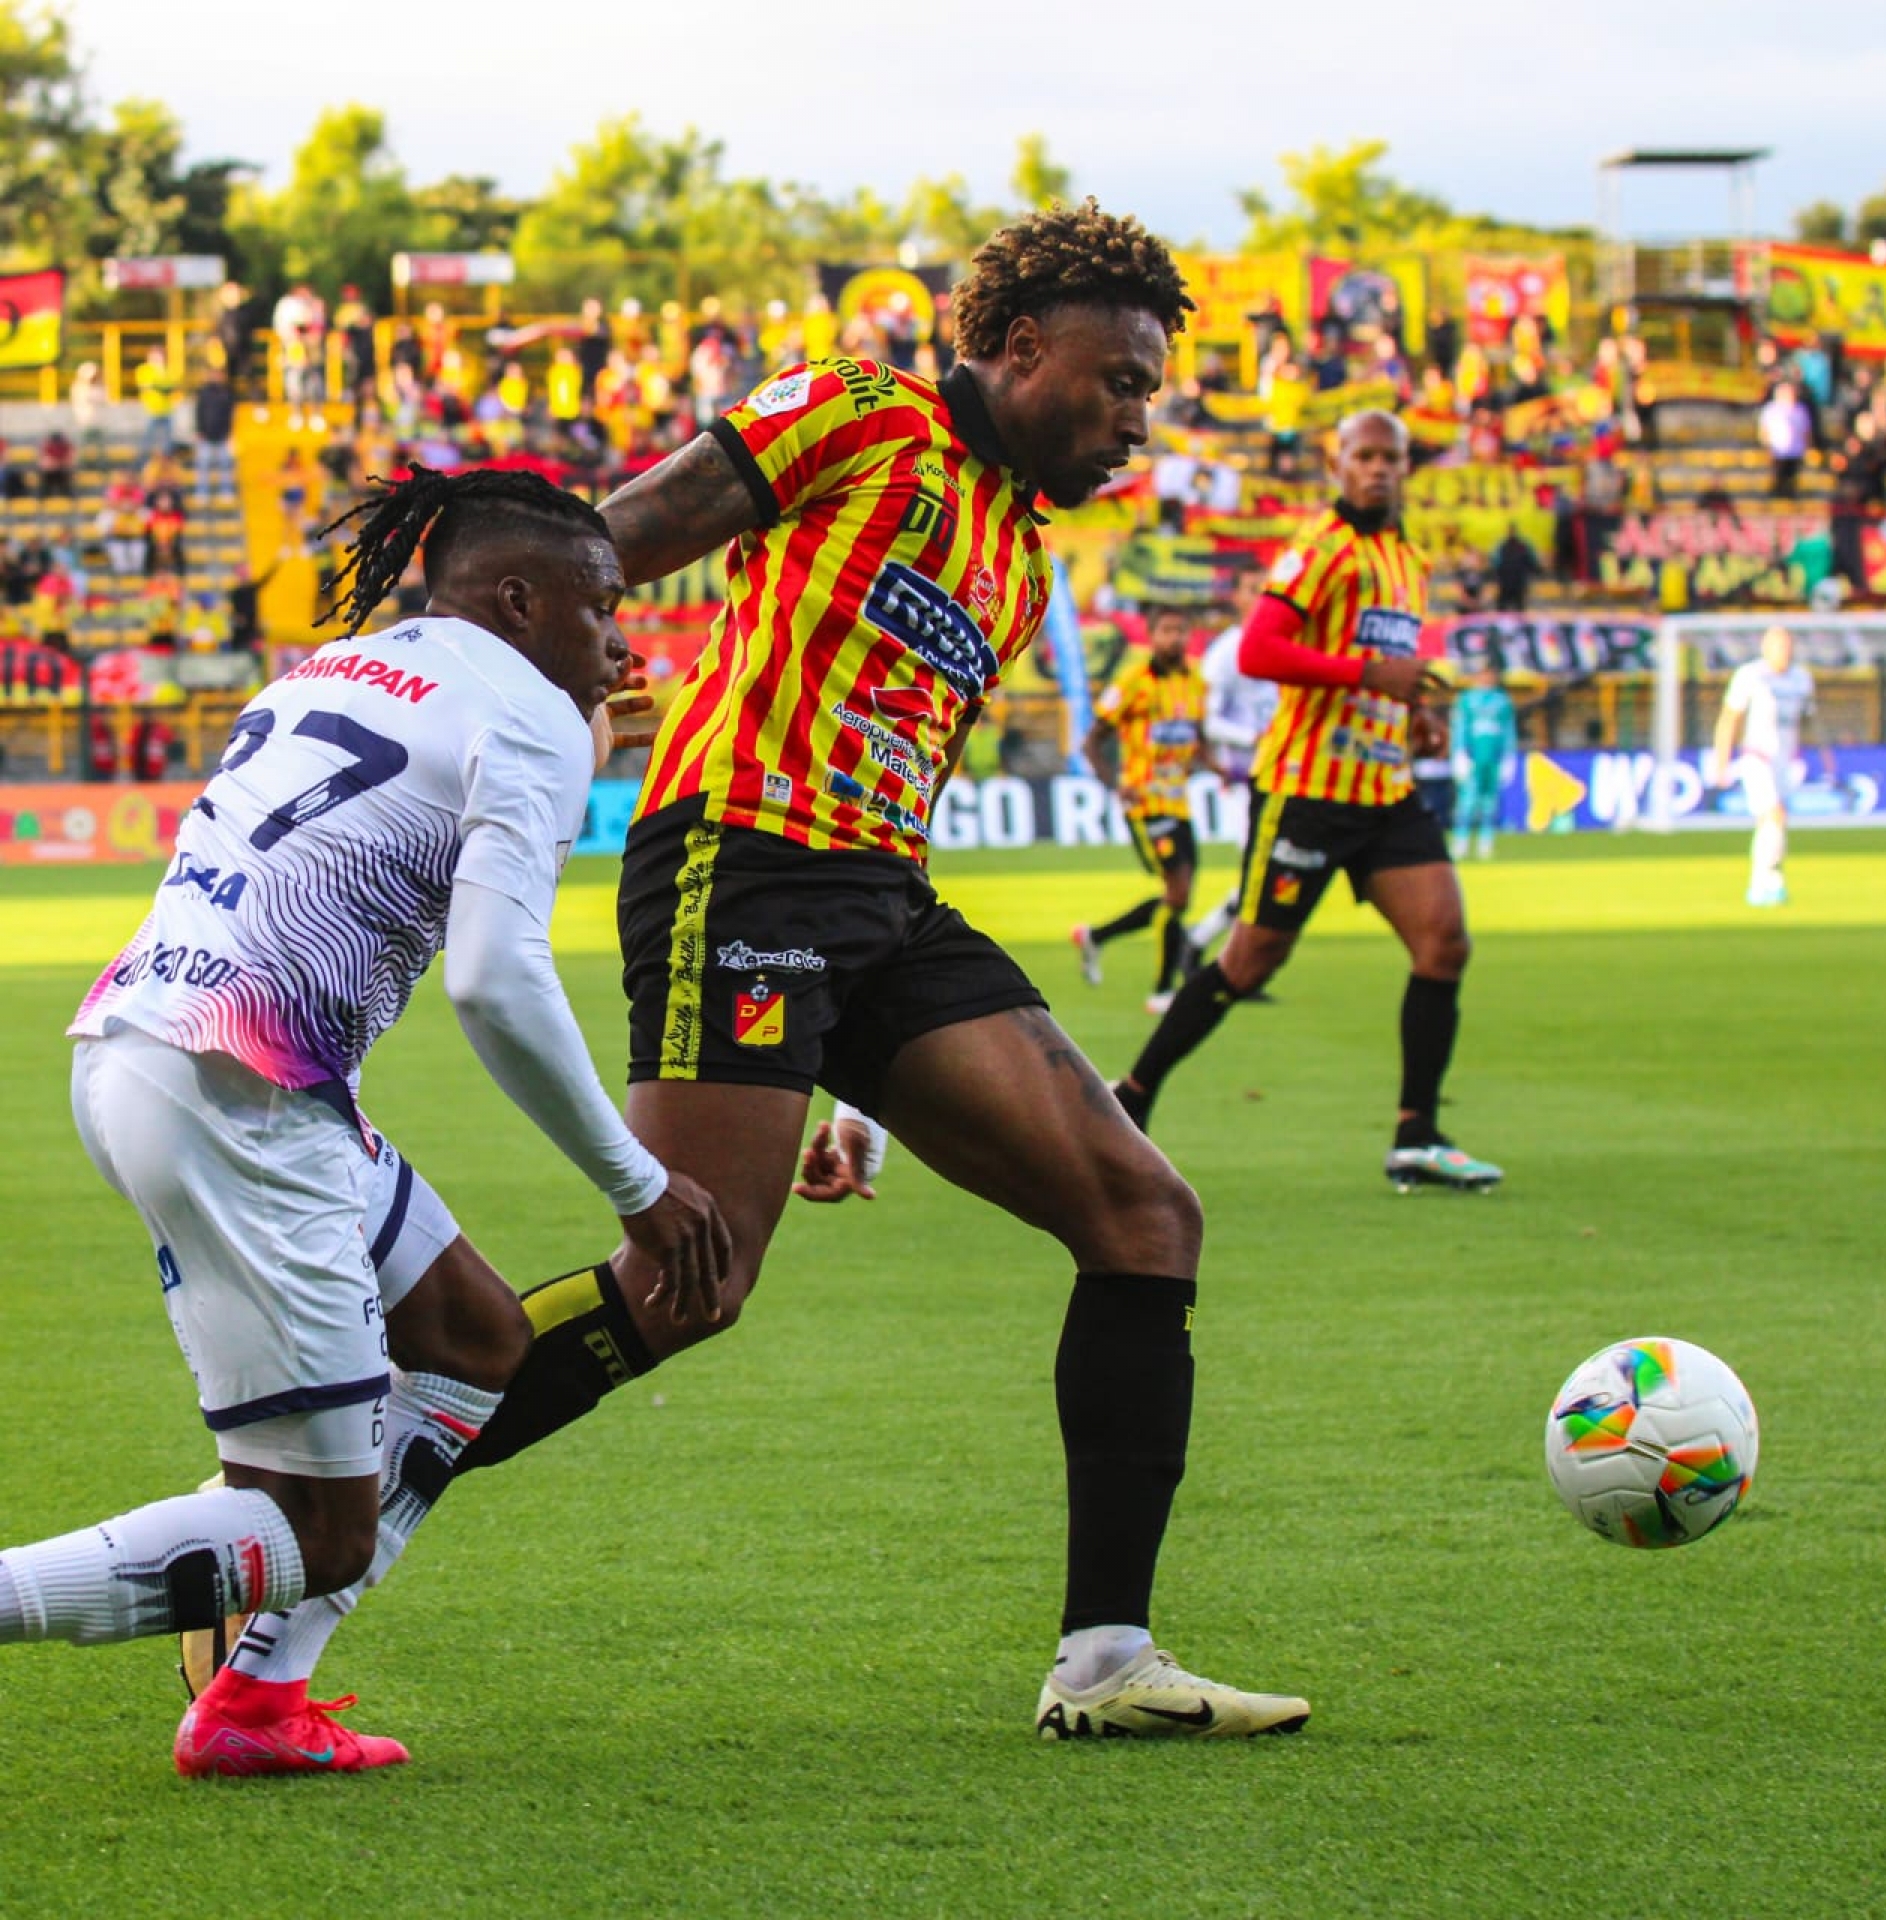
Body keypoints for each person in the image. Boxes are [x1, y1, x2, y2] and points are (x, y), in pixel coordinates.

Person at [437, 201, 1311, 1741]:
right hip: (740, 855)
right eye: (1121, 381)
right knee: (688, 1285)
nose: (1138, 421)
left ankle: (1107, 1662)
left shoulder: (1017, 561)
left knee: (1145, 1214)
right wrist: (500, 695)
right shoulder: (861, 411)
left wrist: (869, 1089)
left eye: (1152, 394)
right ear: (1023, 347)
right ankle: (303, 1508)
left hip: (881, 900)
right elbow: (605, 547)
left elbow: (912, 775)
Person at [1, 467, 726, 1778]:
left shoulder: (335, 668)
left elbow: (426, 796)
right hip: (240, 1102)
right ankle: (221, 1679)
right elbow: (496, 980)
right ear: (520, 599)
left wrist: (576, 736)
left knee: (475, 1336)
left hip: (158, 1050)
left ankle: (257, 1705)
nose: (621, 640)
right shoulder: (526, 716)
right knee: (318, 1534)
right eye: (604, 605)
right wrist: (638, 1185)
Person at [1110, 410, 1503, 1195]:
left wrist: (1415, 714)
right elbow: (1260, 649)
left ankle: (1416, 1137)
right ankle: (1129, 1099)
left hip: (1385, 788)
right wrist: (1369, 676)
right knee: (1250, 960)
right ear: (1337, 463)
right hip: (1307, 790)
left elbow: (1388, 663)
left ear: (1406, 467)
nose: (1378, 468)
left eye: (1390, 457)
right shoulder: (1320, 548)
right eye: (1364, 455)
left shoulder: (1408, 560)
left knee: (1444, 943)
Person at [1071, 603, 1212, 1012]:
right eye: (1167, 630)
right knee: (1178, 894)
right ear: (1152, 635)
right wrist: (1115, 784)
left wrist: (1214, 765)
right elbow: (1092, 741)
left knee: (1179, 896)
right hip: (1145, 803)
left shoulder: (1195, 680)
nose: (1175, 638)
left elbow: (1196, 735)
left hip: (1179, 802)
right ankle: (1163, 991)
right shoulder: (1132, 682)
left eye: (1181, 630)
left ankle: (1096, 937)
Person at [1185, 567, 1279, 956]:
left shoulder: (1281, 644)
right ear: (1237, 597)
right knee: (1260, 878)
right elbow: (1207, 722)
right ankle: (1208, 948)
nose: (1261, 597)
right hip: (1243, 780)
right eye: (1253, 589)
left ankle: (1205, 945)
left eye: (1267, 589)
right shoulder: (1225, 653)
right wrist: (1253, 737)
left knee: (1270, 880)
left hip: (1282, 778)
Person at [1708, 623, 1828, 908]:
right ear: (1765, 648)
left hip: (1785, 760)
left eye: (1787, 646)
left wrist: (1823, 754)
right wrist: (1721, 760)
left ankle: (1762, 881)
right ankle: (1767, 881)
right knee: (1774, 814)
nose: (1783, 651)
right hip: (1757, 757)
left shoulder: (1801, 678)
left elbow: (1807, 719)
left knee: (1773, 821)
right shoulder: (1751, 676)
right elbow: (1730, 718)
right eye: (1777, 646)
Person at [1449, 663, 1517, 860]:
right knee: (1467, 802)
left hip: (1494, 759)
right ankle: (1460, 841)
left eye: (1490, 673)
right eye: (1483, 673)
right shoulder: (1466, 699)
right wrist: (1459, 752)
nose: (1487, 677)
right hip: (1472, 758)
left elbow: (1508, 730)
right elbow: (1459, 727)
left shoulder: (1502, 700)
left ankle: (1485, 843)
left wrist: (1509, 755)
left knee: (1490, 802)